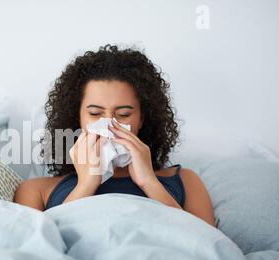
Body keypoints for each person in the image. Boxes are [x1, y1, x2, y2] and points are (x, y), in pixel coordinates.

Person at [13, 44, 214, 226]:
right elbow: (35, 249)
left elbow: (209, 247)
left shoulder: (185, 180)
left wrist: (149, 183)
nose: (109, 125)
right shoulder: (36, 190)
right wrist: (87, 184)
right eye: (95, 114)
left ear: (143, 118)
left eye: (124, 114)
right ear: (78, 118)